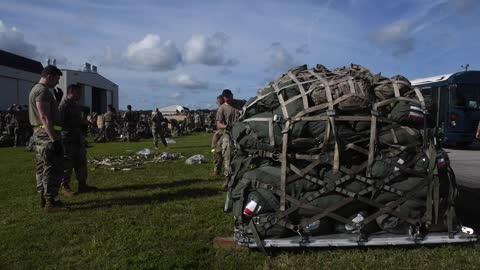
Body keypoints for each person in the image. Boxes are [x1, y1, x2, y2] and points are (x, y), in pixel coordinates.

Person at [28, 65, 67, 212]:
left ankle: (43, 198)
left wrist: (56, 100)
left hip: (41, 133)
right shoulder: (42, 91)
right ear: (49, 76)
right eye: (56, 79)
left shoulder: (36, 89)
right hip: (47, 136)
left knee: (41, 167)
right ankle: (51, 202)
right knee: (52, 168)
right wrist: (55, 140)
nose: (57, 82)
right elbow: (44, 117)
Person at [59, 84, 97, 196]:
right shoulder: (63, 105)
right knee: (67, 163)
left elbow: (78, 120)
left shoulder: (75, 105)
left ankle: (82, 185)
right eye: (78, 93)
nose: (80, 95)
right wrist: (80, 122)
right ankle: (65, 186)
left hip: (77, 137)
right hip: (67, 139)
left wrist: (85, 122)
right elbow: (59, 124)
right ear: (71, 92)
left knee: (81, 161)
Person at [216, 89, 245, 186]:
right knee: (228, 156)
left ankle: (241, 176)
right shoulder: (222, 109)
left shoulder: (240, 103)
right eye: (226, 99)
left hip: (241, 133)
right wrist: (226, 126)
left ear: (232, 95)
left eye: (229, 98)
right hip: (229, 134)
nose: (228, 101)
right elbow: (219, 124)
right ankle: (228, 178)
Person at [211, 95, 225, 177]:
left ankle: (218, 170)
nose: (216, 103)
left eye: (218, 102)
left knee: (219, 151)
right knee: (214, 149)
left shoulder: (225, 109)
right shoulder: (219, 110)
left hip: (224, 133)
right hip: (218, 133)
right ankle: (216, 169)